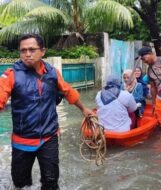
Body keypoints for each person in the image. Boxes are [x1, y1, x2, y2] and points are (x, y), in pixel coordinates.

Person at [0, 34, 92, 190]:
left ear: (42, 51)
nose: (27, 54)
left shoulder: (52, 73)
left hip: (49, 138)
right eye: (23, 50)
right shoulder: (10, 75)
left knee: (50, 182)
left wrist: (84, 109)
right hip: (23, 140)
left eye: (31, 49)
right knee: (21, 184)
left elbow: (69, 92)